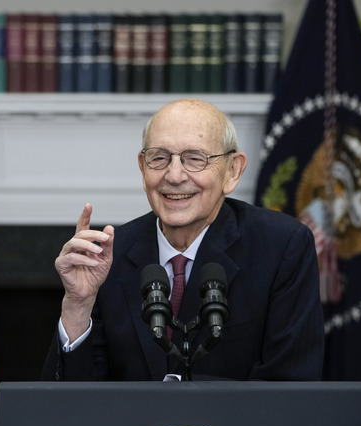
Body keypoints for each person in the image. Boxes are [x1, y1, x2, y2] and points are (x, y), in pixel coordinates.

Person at [42, 98, 324, 382]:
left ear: (232, 171)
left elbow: (290, 388)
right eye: (160, 158)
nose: (174, 176)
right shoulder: (108, 256)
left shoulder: (282, 247)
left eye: (195, 158)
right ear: (143, 167)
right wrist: (78, 307)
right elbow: (69, 407)